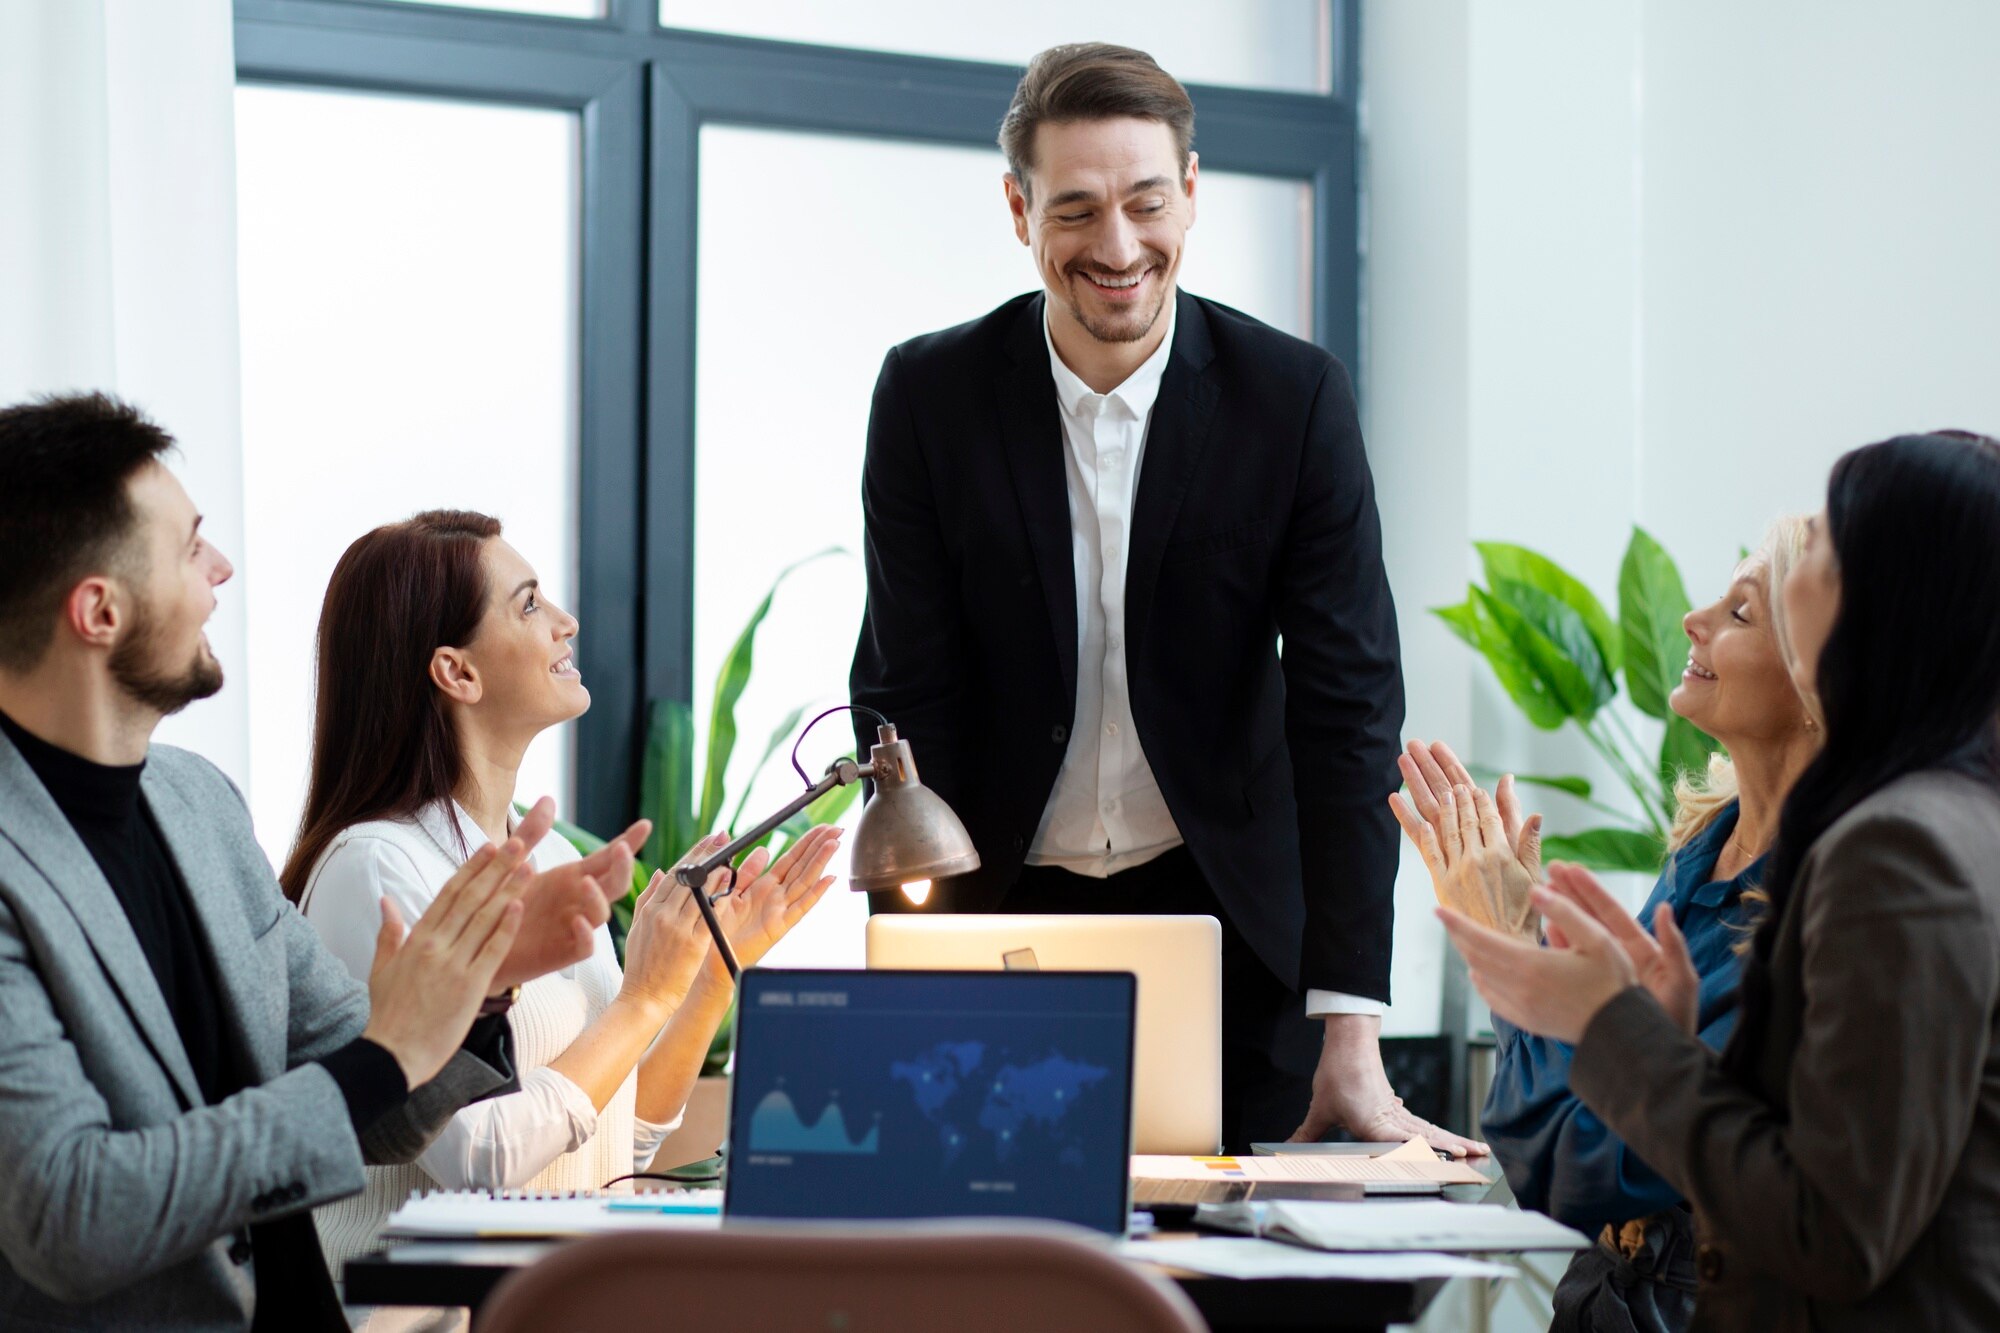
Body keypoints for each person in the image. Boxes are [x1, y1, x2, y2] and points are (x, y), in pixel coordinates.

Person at [848, 41, 1467, 1155]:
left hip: (1236, 930)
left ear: (1191, 192)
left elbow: (1346, 715)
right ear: (1016, 207)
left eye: (1144, 201)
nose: (1117, 247)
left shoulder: (1292, 402)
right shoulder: (928, 397)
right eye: (1075, 210)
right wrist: (911, 968)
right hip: (1002, 922)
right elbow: (904, 693)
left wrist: (1351, 1024)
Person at [0, 393, 639, 1331]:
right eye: (189, 549)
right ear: (99, 610)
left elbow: (379, 1108)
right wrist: (386, 1053)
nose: (220, 570)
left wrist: (478, 982)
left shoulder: (201, 805)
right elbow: (74, 1210)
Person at [1439, 432, 2000, 1330]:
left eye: (1820, 541)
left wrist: (1610, 1024)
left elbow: (1831, 1229)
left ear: (1886, 597)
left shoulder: (1901, 849)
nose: (1698, 622)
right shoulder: (1909, 821)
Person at [281, 511, 838, 1305]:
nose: (567, 622)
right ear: (457, 672)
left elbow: (619, 1135)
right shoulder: (374, 868)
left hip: (554, 1309)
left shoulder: (550, 860)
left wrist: (708, 974)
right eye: (531, 604)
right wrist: (643, 994)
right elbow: (481, 1157)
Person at [1393, 519, 1818, 1332]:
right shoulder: (1703, 845)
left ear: (1815, 679)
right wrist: (1520, 951)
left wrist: (1518, 955)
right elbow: (1567, 1120)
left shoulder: (1813, 905)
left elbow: (1590, 1168)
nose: (1693, 620)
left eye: (1740, 613)